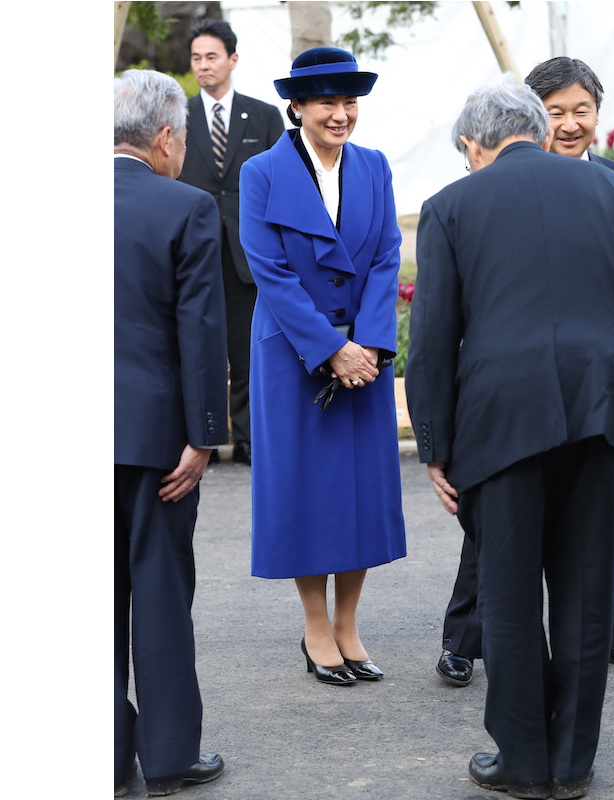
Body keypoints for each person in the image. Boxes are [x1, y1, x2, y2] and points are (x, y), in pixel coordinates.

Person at [405, 76, 614, 798]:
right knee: (589, 592)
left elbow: (431, 338)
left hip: (501, 421)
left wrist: (433, 444)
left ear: (474, 143)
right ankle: (572, 761)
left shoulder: (450, 207)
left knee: (508, 593)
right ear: (534, 124)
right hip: (602, 412)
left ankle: (523, 762)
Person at [436, 56, 614, 689]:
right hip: (513, 388)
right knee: (493, 532)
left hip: (596, 390)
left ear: (598, 114)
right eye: (556, 111)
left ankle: (598, 626)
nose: (569, 124)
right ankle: (464, 636)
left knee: (595, 524)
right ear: (532, 117)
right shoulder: (483, 180)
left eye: (581, 111)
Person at [238, 47, 406, 686]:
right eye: (326, 102)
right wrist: (331, 349)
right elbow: (270, 272)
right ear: (298, 107)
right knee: (307, 492)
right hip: (294, 356)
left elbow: (388, 255)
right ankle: (315, 626)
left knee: (360, 492)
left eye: (349, 101)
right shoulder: (262, 173)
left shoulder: (375, 167)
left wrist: (364, 344)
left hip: (363, 358)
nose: (341, 114)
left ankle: (349, 625)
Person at [114, 69, 229, 796]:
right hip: (157, 438)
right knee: (158, 592)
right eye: (184, 138)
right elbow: (201, 328)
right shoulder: (186, 206)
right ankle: (167, 755)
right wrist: (204, 434)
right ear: (164, 138)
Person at [178, 19, 285, 466]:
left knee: (245, 348)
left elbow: (283, 183)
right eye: (196, 58)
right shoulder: (176, 117)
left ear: (233, 60)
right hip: (193, 249)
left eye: (211, 56)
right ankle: (204, 435)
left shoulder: (263, 116)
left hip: (247, 252)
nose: (203, 66)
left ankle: (247, 438)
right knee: (198, 345)